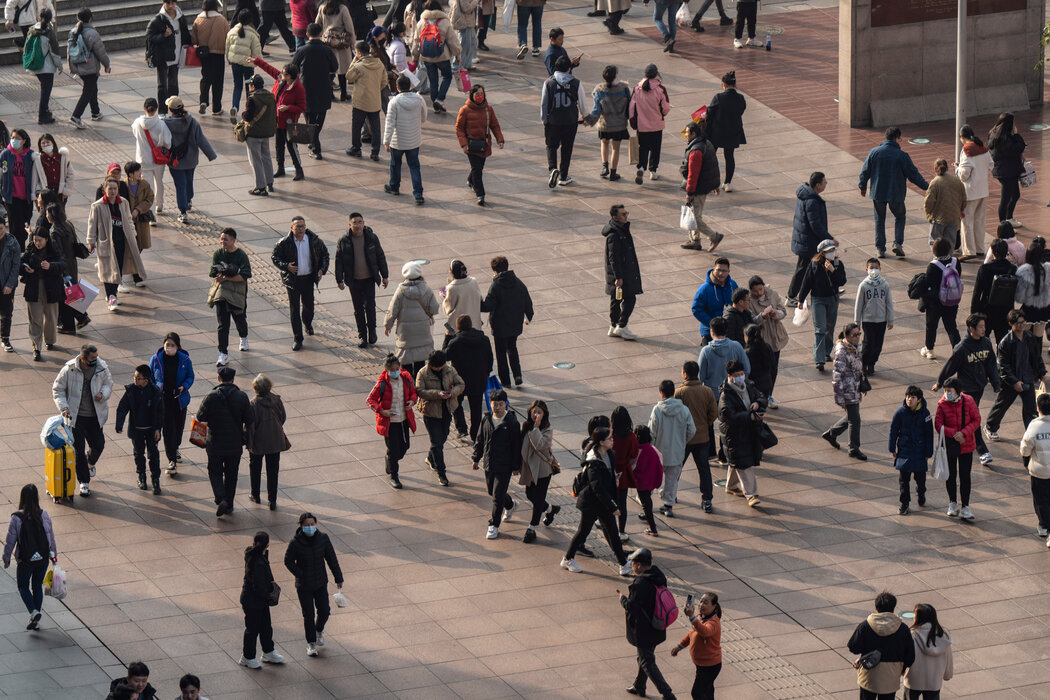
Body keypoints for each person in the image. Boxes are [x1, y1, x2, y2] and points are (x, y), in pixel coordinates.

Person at [560, 426, 632, 575]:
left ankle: (623, 564)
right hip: (591, 503)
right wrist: (613, 506)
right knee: (583, 532)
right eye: (609, 439)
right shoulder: (593, 462)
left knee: (612, 532)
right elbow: (597, 487)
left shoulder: (609, 454)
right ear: (601, 442)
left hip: (602, 502)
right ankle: (567, 559)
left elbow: (608, 476)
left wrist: (614, 479)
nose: (612, 441)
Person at [933, 313, 999, 466]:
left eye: (984, 326)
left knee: (967, 419)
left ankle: (963, 440)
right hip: (966, 389)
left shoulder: (986, 343)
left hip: (979, 386)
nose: (984, 329)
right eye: (981, 327)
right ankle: (983, 451)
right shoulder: (962, 348)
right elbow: (951, 366)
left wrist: (996, 383)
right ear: (971, 329)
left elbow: (991, 365)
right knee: (973, 418)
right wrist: (939, 382)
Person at [857, 126, 929, 258]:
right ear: (896, 138)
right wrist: (927, 187)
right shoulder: (902, 156)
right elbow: (913, 175)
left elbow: (865, 171)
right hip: (896, 193)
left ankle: (880, 248)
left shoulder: (874, 152)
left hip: (878, 192)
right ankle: (897, 244)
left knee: (879, 219)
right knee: (900, 217)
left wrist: (862, 186)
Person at [52, 344, 112, 497]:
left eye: (96, 356)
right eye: (92, 358)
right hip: (76, 417)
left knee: (98, 444)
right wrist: (64, 407)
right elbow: (58, 389)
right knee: (78, 450)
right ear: (84, 359)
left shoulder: (101, 367)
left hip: (94, 416)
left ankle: (90, 462)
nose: (95, 359)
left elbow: (108, 384)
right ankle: (84, 482)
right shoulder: (69, 369)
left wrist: (103, 394)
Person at [284, 512, 343, 657]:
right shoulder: (295, 543)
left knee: (324, 610)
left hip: (320, 582)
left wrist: (338, 577)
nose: (310, 527)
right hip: (304, 585)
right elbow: (288, 561)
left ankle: (319, 630)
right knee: (308, 615)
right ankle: (311, 643)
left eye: (312, 524)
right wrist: (300, 574)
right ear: (301, 526)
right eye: (307, 525)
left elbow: (331, 559)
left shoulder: (323, 539)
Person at [197, 365, 251, 517]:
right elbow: (250, 419)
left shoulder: (210, 396)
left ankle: (220, 498)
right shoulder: (242, 397)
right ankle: (230, 504)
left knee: (215, 471)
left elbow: (201, 417)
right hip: (234, 443)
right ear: (233, 379)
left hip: (215, 442)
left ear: (218, 378)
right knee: (232, 473)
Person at [2, 484, 57, 631]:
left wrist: (6, 558)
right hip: (43, 559)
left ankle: (33, 612)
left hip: (26, 560)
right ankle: (36, 619)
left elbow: (10, 541)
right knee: (37, 586)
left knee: (23, 586)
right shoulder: (44, 515)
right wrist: (54, 556)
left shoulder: (17, 518)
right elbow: (50, 537)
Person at [271, 215, 329, 351]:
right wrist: (286, 266)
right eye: (298, 226)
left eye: (303, 226)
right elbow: (275, 257)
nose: (301, 229)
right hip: (293, 281)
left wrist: (321, 270)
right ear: (292, 228)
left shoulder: (314, 241)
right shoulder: (284, 242)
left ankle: (307, 323)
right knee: (294, 309)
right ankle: (298, 338)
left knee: (309, 307)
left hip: (308, 279)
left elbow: (325, 255)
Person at [985, 309, 1044, 441]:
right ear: (1011, 324)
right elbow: (1003, 366)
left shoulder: (1029, 337)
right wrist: (1014, 381)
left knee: (1030, 409)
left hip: (1027, 378)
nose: (1022, 325)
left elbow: (1036, 356)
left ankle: (1031, 433)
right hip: (1011, 382)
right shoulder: (1006, 343)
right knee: (1002, 405)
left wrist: (1041, 372)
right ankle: (990, 427)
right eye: (1018, 323)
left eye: (1023, 322)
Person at [87, 179, 145, 312]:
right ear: (104, 190)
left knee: (117, 268)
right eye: (110, 189)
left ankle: (113, 294)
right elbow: (92, 224)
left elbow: (129, 220)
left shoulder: (123, 202)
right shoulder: (97, 206)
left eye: (115, 188)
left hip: (122, 242)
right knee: (108, 270)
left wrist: (133, 234)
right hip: (105, 243)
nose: (112, 191)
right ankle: (111, 296)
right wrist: (91, 241)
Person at [472, 388, 521, 539]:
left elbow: (516, 446)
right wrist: (476, 458)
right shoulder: (486, 419)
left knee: (497, 496)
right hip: (489, 463)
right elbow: (480, 440)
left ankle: (494, 524)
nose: (497, 407)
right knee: (492, 492)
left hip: (504, 466)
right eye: (495, 404)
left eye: (501, 404)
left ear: (505, 404)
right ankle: (510, 505)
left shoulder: (511, 423)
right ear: (490, 404)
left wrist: (515, 466)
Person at [847, 592, 916, 700]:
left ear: (876, 607)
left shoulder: (865, 626)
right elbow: (910, 656)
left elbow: (853, 647)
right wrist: (900, 669)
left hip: (868, 675)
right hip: (891, 677)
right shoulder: (903, 629)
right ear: (893, 608)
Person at [162, 96, 219, 223]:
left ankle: (183, 211)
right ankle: (188, 200)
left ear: (170, 110)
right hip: (191, 159)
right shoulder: (192, 122)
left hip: (175, 161)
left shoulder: (166, 124)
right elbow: (201, 140)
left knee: (180, 185)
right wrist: (211, 155)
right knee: (189, 180)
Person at [334, 212, 388, 347]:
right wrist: (339, 279)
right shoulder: (344, 240)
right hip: (354, 280)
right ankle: (362, 335)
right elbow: (339, 260)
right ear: (349, 225)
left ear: (364, 223)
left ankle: (372, 331)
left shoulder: (371, 237)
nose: (357, 225)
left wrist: (384, 276)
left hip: (369, 278)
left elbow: (380, 256)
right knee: (358, 309)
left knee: (370, 306)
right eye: (355, 223)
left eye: (360, 222)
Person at [251, 58, 306, 181]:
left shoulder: (298, 88)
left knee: (292, 147)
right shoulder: (281, 81)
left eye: (285, 74)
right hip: (277, 121)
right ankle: (280, 167)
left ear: (291, 76)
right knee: (279, 146)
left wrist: (288, 107)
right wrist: (256, 61)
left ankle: (299, 169)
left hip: (290, 123)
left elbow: (302, 107)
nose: (282, 75)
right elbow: (269, 68)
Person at [367, 354, 418, 488]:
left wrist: (412, 401)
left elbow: (414, 393)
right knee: (394, 449)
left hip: (404, 420)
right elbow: (370, 400)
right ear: (387, 370)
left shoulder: (406, 378)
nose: (395, 371)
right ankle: (394, 475)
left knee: (404, 447)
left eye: (397, 368)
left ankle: (390, 459)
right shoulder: (382, 383)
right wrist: (381, 411)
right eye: (392, 369)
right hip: (389, 423)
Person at [481, 255, 533, 387]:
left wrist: (478, 300)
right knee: (512, 348)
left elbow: (488, 306)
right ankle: (517, 375)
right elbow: (528, 302)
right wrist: (528, 317)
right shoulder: (518, 282)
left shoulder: (496, 285)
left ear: (495, 270)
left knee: (501, 353)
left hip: (500, 326)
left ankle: (505, 381)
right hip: (515, 325)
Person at [414, 350, 464, 486]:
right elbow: (419, 391)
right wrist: (437, 394)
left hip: (447, 410)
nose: (440, 368)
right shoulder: (423, 373)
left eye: (441, 366)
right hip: (431, 412)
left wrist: (452, 393)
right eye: (437, 367)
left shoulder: (449, 370)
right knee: (437, 443)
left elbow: (461, 384)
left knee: (442, 438)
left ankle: (431, 458)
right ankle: (441, 473)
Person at [720, 359, 766, 506]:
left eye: (742, 373)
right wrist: (750, 416)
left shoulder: (749, 385)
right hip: (735, 435)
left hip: (749, 431)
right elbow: (728, 415)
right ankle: (751, 494)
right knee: (744, 464)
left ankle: (731, 486)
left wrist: (758, 403)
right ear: (730, 376)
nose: (740, 377)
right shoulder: (726, 394)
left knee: (737, 461)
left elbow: (761, 397)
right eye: (737, 374)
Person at [935, 378, 981, 520]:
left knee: (965, 476)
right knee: (951, 475)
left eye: (950, 391)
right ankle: (952, 503)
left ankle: (965, 506)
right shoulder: (942, 404)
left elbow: (976, 419)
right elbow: (938, 425)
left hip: (966, 445)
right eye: (945, 391)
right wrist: (955, 434)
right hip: (951, 445)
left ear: (957, 391)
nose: (947, 394)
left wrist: (964, 433)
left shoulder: (969, 401)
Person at [115, 364, 165, 494]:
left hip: (151, 430)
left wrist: (158, 429)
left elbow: (160, 413)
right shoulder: (131, 391)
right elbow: (122, 408)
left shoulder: (155, 392)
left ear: (146, 380)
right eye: (135, 377)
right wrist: (119, 425)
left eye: (138, 378)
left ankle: (155, 480)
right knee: (139, 454)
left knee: (153, 455)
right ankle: (141, 477)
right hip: (136, 429)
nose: (135, 380)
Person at [649, 379, 695, 518]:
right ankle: (668, 506)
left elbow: (652, 432)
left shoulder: (657, 410)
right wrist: (682, 442)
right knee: (671, 481)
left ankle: (646, 503)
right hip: (677, 453)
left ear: (661, 393)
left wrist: (652, 447)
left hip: (659, 453)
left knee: (651, 479)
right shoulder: (684, 410)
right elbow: (691, 430)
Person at [798, 239, 846, 371]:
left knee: (830, 327)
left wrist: (832, 271)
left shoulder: (837, 264)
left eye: (832, 250)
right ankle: (819, 360)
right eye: (828, 251)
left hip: (833, 298)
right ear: (822, 253)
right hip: (818, 299)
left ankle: (826, 352)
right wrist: (801, 299)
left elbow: (842, 281)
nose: (831, 253)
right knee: (820, 329)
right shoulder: (814, 265)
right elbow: (807, 282)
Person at [384, 261, 439, 377]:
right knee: (421, 362)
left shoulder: (400, 291)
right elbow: (434, 309)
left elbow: (392, 310)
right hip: (422, 331)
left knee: (406, 362)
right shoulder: (427, 289)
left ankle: (408, 386)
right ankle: (419, 387)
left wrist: (387, 326)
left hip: (406, 333)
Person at [676, 360, 717, 513]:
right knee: (704, 470)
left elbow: (675, 415)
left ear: (685, 374)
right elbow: (714, 413)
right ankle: (707, 499)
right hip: (703, 438)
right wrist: (704, 424)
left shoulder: (679, 393)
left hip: (684, 439)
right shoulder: (707, 391)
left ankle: (671, 494)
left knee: (676, 468)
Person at [239, 531, 285, 668]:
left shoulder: (255, 556)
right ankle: (247, 657)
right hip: (254, 601)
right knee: (253, 629)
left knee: (264, 627)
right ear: (268, 545)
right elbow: (259, 586)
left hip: (255, 600)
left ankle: (268, 651)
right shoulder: (258, 561)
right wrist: (269, 595)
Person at [149, 332, 194, 474]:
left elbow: (190, 376)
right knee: (168, 431)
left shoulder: (185, 360)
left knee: (179, 429)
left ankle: (176, 447)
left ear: (178, 346)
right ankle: (172, 460)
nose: (169, 347)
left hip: (180, 400)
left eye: (172, 345)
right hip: (163, 401)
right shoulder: (156, 359)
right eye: (167, 344)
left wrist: (184, 386)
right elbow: (150, 376)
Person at [822, 324, 867, 460]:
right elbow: (837, 377)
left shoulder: (855, 347)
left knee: (852, 418)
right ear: (846, 336)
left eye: (859, 334)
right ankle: (854, 448)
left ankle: (831, 433)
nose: (858, 337)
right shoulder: (841, 352)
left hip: (854, 389)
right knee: (855, 420)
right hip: (847, 391)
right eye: (854, 335)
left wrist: (862, 384)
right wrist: (840, 398)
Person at [244, 374, 289, 509]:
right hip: (275, 440)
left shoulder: (253, 405)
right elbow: (283, 417)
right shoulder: (276, 400)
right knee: (273, 470)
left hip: (258, 442)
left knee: (255, 468)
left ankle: (255, 495)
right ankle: (272, 500)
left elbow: (250, 427)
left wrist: (249, 443)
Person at [541, 55, 587, 188]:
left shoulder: (548, 83)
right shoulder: (576, 83)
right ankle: (564, 176)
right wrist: (585, 117)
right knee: (567, 148)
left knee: (551, 146)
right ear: (569, 69)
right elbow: (583, 103)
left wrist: (544, 120)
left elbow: (544, 104)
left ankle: (552, 169)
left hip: (553, 121)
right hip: (570, 121)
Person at [455, 84, 504, 206]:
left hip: (484, 145)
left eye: (482, 93)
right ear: (472, 95)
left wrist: (500, 139)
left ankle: (470, 180)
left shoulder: (488, 109)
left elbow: (495, 125)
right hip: (471, 146)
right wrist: (464, 144)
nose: (480, 96)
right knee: (477, 170)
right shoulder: (464, 110)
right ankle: (480, 194)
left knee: (478, 167)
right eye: (477, 94)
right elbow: (459, 128)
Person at [208, 228, 251, 366]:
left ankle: (243, 337)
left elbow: (245, 275)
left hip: (237, 292)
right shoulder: (217, 254)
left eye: (225, 239)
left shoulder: (241, 255)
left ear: (233, 240)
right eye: (221, 239)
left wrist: (227, 277)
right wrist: (218, 276)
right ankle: (223, 353)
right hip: (222, 292)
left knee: (239, 318)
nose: (222, 242)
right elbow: (212, 272)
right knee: (223, 324)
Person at [446, 315, 492, 442]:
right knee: (476, 408)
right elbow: (490, 358)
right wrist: (486, 373)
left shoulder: (455, 342)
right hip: (478, 380)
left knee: (455, 403)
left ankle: (461, 429)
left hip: (459, 381)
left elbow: (445, 355)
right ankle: (474, 433)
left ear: (458, 327)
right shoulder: (484, 339)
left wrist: (447, 337)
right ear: (471, 325)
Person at [889, 385, 934, 515]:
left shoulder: (925, 414)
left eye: (912, 397)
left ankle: (921, 494)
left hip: (919, 452)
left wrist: (928, 452)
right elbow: (893, 431)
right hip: (904, 451)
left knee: (920, 479)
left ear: (919, 399)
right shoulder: (900, 413)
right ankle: (905, 503)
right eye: (908, 397)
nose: (909, 400)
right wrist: (892, 448)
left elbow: (929, 434)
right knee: (903, 480)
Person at [19, 228, 63, 361]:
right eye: (35, 240)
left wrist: (51, 266)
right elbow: (20, 264)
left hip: (51, 288)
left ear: (46, 240)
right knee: (35, 319)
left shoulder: (54, 249)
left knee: (51, 316)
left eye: (40, 240)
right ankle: (36, 347)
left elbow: (63, 264)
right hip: (34, 287)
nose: (37, 243)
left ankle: (49, 340)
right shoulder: (30, 250)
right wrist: (25, 269)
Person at [520, 399, 560, 542]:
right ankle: (550, 509)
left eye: (539, 412)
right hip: (529, 469)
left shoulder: (547, 429)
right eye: (534, 411)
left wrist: (536, 428)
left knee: (537, 500)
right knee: (530, 495)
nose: (536, 414)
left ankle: (532, 528)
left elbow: (540, 445)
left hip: (543, 470)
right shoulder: (525, 426)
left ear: (544, 414)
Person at [384, 74, 428, 203]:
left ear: (397, 87)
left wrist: (386, 141)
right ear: (410, 86)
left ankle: (394, 186)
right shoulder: (419, 99)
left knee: (395, 164)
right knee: (414, 166)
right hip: (414, 140)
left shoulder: (394, 102)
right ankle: (418, 194)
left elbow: (390, 123)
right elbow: (424, 116)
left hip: (398, 141)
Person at [787, 171, 830, 304]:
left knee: (823, 264)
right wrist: (829, 238)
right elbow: (815, 225)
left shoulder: (806, 196)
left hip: (807, 239)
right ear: (817, 185)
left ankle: (830, 287)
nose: (826, 184)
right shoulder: (812, 201)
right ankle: (791, 296)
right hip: (808, 242)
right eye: (824, 182)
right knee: (802, 269)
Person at [412, 0, 461, 113]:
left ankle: (436, 107)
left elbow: (416, 41)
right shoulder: (444, 22)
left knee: (433, 81)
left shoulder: (422, 22)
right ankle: (440, 99)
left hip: (427, 57)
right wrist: (458, 54)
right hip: (442, 56)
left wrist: (415, 56)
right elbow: (453, 41)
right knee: (447, 77)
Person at [672, 591, 722, 700]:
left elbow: (705, 631)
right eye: (700, 601)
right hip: (701, 664)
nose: (701, 605)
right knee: (707, 690)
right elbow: (691, 634)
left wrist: (692, 617)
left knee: (697, 693)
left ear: (714, 606)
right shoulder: (700, 617)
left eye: (705, 603)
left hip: (710, 666)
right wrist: (679, 646)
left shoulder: (713, 622)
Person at [919, 237, 963, 360]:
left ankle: (929, 350)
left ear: (935, 251)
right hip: (952, 300)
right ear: (949, 249)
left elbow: (928, 285)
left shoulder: (933, 266)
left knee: (931, 326)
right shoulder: (955, 261)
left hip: (935, 303)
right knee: (951, 327)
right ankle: (958, 350)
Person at [746, 277, 787, 406]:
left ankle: (769, 395)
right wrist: (762, 316)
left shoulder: (773, 294)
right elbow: (751, 320)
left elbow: (783, 312)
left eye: (760, 289)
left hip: (775, 337)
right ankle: (758, 395)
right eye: (755, 291)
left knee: (773, 367)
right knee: (760, 369)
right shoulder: (749, 301)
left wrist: (775, 313)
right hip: (761, 339)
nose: (758, 293)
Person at [67, 8, 111, 128]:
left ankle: (95, 112)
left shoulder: (73, 31)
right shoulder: (92, 33)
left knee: (92, 88)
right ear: (90, 18)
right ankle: (76, 116)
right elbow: (100, 52)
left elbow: (69, 51)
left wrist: (71, 66)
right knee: (87, 91)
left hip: (79, 66)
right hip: (90, 67)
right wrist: (107, 65)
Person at [147, 0, 192, 116]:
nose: (171, 6)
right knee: (162, 85)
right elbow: (149, 37)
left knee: (173, 84)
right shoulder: (157, 20)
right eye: (168, 3)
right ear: (163, 3)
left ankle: (175, 109)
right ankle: (162, 111)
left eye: (173, 3)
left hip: (177, 56)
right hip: (163, 57)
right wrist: (163, 35)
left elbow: (185, 34)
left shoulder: (180, 17)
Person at [604, 204, 642, 340]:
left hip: (620, 273)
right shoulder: (615, 234)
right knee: (630, 298)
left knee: (616, 299)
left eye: (626, 213)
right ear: (615, 217)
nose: (626, 216)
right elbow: (613, 258)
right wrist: (618, 276)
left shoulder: (621, 229)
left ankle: (614, 326)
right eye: (623, 214)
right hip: (622, 273)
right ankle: (622, 325)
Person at [345, 39, 387, 161]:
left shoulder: (359, 66)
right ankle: (375, 152)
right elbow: (384, 81)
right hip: (375, 100)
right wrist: (375, 89)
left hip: (361, 101)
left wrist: (353, 61)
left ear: (358, 53)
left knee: (357, 126)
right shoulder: (379, 64)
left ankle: (356, 148)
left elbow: (349, 76)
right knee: (376, 126)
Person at [629, 64, 670, 184]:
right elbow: (666, 107)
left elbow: (632, 108)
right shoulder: (660, 89)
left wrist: (633, 122)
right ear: (656, 74)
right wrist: (662, 114)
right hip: (657, 124)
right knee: (655, 148)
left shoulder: (637, 88)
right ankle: (653, 171)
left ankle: (641, 167)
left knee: (643, 148)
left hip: (642, 126)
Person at [956, 124, 992, 258]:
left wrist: (958, 168)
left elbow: (964, 175)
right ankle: (980, 248)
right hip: (983, 190)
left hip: (970, 192)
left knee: (967, 222)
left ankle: (969, 251)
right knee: (979, 221)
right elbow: (990, 165)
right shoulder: (983, 148)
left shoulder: (966, 150)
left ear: (961, 137)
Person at [903, 604, 953, 699]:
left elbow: (905, 655)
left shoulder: (911, 634)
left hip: (913, 679)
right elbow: (948, 656)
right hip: (934, 681)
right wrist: (947, 674)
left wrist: (901, 671)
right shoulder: (943, 635)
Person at [971, 239, 1016, 344]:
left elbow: (977, 292)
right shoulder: (1012, 269)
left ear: (992, 252)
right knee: (1002, 342)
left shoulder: (985, 269)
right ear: (1006, 252)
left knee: (982, 341)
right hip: (1005, 310)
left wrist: (973, 313)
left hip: (986, 310)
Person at [706, 71, 745, 192]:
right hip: (733, 131)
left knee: (711, 156)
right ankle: (727, 183)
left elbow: (709, 113)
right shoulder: (740, 98)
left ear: (723, 85)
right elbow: (741, 110)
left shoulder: (718, 97)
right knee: (729, 156)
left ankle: (711, 182)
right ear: (735, 84)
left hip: (717, 132)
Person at [854, 258, 894, 375]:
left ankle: (872, 363)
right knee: (868, 343)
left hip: (881, 320)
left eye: (876, 268)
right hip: (868, 320)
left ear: (880, 269)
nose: (874, 270)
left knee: (878, 345)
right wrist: (857, 321)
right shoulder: (863, 286)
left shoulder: (885, 285)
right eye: (871, 268)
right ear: (866, 269)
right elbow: (859, 304)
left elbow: (889, 303)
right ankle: (865, 363)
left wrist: (890, 319)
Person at [1020, 392, 1050, 546]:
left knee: (1040, 499)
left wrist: (1026, 459)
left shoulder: (1034, 426)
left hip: (1039, 472)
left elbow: (1025, 448)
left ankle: (1044, 525)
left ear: (1038, 409)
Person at [590, 65, 630, 181]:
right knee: (616, 148)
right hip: (619, 124)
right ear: (615, 76)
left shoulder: (599, 91)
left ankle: (604, 167)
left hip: (605, 125)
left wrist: (589, 120)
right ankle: (613, 172)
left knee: (604, 143)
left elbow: (596, 110)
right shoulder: (624, 89)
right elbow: (630, 104)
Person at [131, 98, 171, 213]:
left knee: (148, 188)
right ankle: (160, 205)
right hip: (158, 160)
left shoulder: (137, 122)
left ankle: (151, 214)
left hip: (143, 160)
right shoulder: (161, 124)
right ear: (156, 109)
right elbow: (167, 142)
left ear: (144, 108)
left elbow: (135, 134)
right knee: (159, 182)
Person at [191, 0, 230, 116]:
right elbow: (228, 36)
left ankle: (203, 100)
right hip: (218, 54)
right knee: (218, 81)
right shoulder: (222, 20)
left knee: (206, 78)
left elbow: (194, 39)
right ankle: (216, 108)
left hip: (204, 54)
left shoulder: (198, 20)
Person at [1, 128, 38, 250]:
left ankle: (19, 244)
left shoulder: (30, 156)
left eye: (17, 138)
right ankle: (17, 249)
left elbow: (37, 174)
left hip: (26, 197)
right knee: (14, 224)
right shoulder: (5, 154)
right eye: (12, 138)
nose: (13, 141)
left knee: (25, 223)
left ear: (24, 141)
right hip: (11, 197)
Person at [988, 112, 1026, 228]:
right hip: (1006, 172)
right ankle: (1003, 225)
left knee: (1015, 195)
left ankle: (1009, 218)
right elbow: (1017, 148)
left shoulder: (996, 134)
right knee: (1005, 199)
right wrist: (1017, 135)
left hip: (1008, 170)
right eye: (1013, 122)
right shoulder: (1003, 138)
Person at [241, 74, 277, 196]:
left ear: (253, 86)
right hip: (266, 133)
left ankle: (260, 187)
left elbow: (248, 116)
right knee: (266, 157)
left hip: (254, 134)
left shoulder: (252, 99)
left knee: (256, 160)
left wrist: (243, 115)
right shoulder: (271, 97)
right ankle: (269, 182)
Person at [697, 316, 749, 399]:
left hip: (713, 396)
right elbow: (747, 369)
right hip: (734, 394)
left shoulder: (706, 351)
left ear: (712, 331)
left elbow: (699, 377)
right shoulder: (737, 346)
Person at [923, 158, 966, 252]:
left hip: (938, 217)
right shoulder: (956, 180)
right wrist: (960, 210)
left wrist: (929, 214)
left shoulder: (935, 182)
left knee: (934, 241)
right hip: (953, 216)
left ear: (935, 169)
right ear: (947, 168)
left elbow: (929, 202)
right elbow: (963, 198)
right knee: (950, 242)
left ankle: (938, 260)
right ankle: (948, 260)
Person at [26, 8, 60, 125]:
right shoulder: (49, 33)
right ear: (50, 18)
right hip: (47, 67)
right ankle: (42, 115)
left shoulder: (31, 30)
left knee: (44, 89)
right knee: (46, 92)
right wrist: (59, 66)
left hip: (35, 65)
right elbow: (54, 53)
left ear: (39, 17)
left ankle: (45, 112)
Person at [225, 10, 262, 119]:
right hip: (248, 65)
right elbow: (256, 53)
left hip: (235, 64)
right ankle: (249, 110)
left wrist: (229, 59)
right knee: (249, 88)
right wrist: (257, 63)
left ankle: (234, 107)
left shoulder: (232, 32)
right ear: (250, 20)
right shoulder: (252, 35)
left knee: (237, 86)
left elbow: (227, 48)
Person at [317, 0, 355, 102]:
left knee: (329, 69)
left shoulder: (322, 8)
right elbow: (349, 27)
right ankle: (344, 93)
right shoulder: (343, 8)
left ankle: (330, 93)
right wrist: (352, 43)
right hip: (341, 43)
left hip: (327, 42)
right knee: (342, 70)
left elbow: (317, 24)